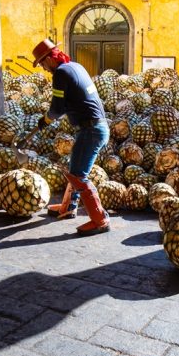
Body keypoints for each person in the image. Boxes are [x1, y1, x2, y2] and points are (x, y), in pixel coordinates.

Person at [31, 38, 111, 236]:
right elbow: (70, 101)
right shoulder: (75, 66)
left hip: (91, 130)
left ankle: (100, 220)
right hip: (96, 127)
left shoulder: (60, 73)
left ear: (49, 59)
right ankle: (68, 207)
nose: (44, 68)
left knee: (78, 176)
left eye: (42, 64)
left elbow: (57, 109)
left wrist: (45, 120)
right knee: (75, 170)